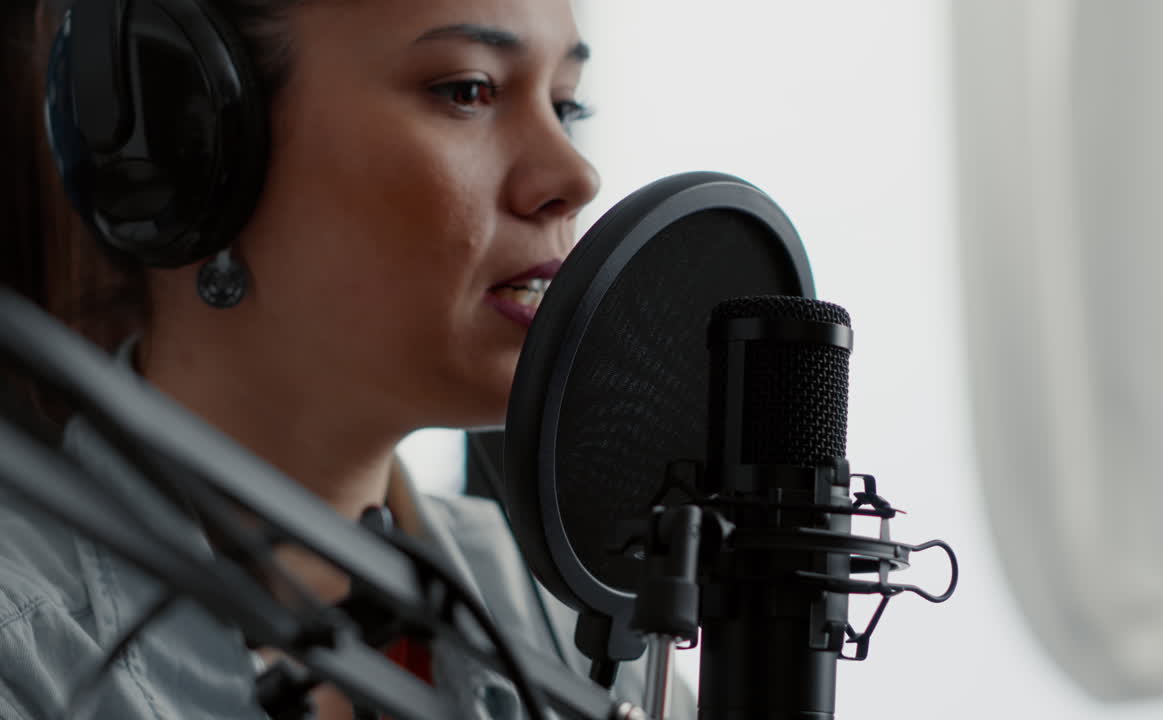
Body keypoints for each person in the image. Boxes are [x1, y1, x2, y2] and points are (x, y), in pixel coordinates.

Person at [0, 0, 696, 717]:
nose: (575, 176)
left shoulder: (569, 626)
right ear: (187, 142)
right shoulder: (22, 654)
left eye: (566, 106)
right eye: (468, 90)